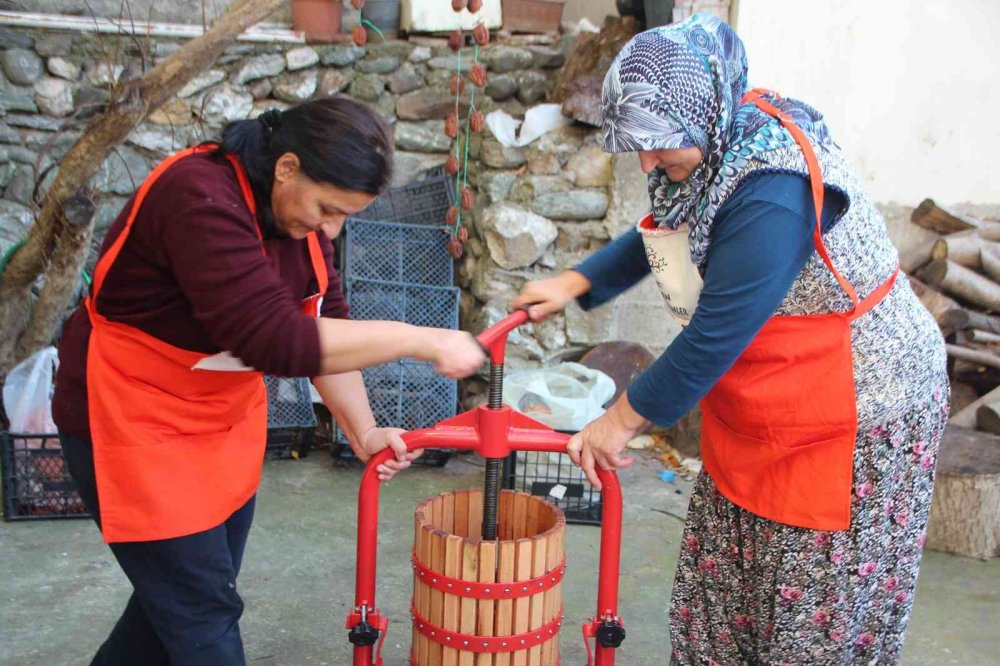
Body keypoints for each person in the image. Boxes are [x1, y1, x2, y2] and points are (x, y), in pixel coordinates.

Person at [513, 14, 948, 665]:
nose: (648, 161)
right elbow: (670, 226)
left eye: (661, 143)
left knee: (809, 621)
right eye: (637, 143)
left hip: (857, 418)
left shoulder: (773, 190)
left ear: (703, 111)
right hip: (769, 403)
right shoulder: (709, 143)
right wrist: (576, 281)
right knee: (729, 599)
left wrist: (620, 421)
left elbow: (715, 336)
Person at [52, 96, 485, 665]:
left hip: (218, 424)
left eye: (345, 217)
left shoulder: (301, 225)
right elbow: (275, 341)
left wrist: (363, 430)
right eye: (328, 208)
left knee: (180, 600)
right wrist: (420, 338)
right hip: (132, 423)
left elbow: (325, 323)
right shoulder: (197, 198)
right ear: (286, 167)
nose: (332, 228)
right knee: (201, 612)